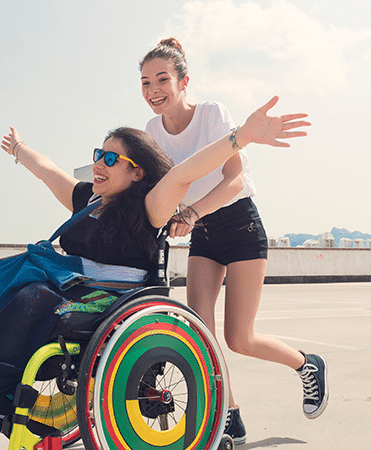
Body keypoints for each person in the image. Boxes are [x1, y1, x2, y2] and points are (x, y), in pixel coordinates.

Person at [0, 98, 308, 420]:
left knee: (33, 296)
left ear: (136, 171)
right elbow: (47, 171)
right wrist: (18, 148)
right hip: (76, 289)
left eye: (111, 158)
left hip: (116, 297)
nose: (99, 164)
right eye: (98, 155)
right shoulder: (86, 200)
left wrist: (240, 137)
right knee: (1, 289)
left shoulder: (148, 207)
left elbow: (182, 175)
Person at [139, 38, 328, 443]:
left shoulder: (210, 114)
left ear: (183, 81)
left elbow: (235, 179)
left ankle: (307, 365)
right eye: (145, 82)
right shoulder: (152, 131)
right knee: (200, 336)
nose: (153, 90)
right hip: (203, 236)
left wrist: (190, 212)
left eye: (162, 79)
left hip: (240, 226)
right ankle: (228, 412)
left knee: (239, 338)